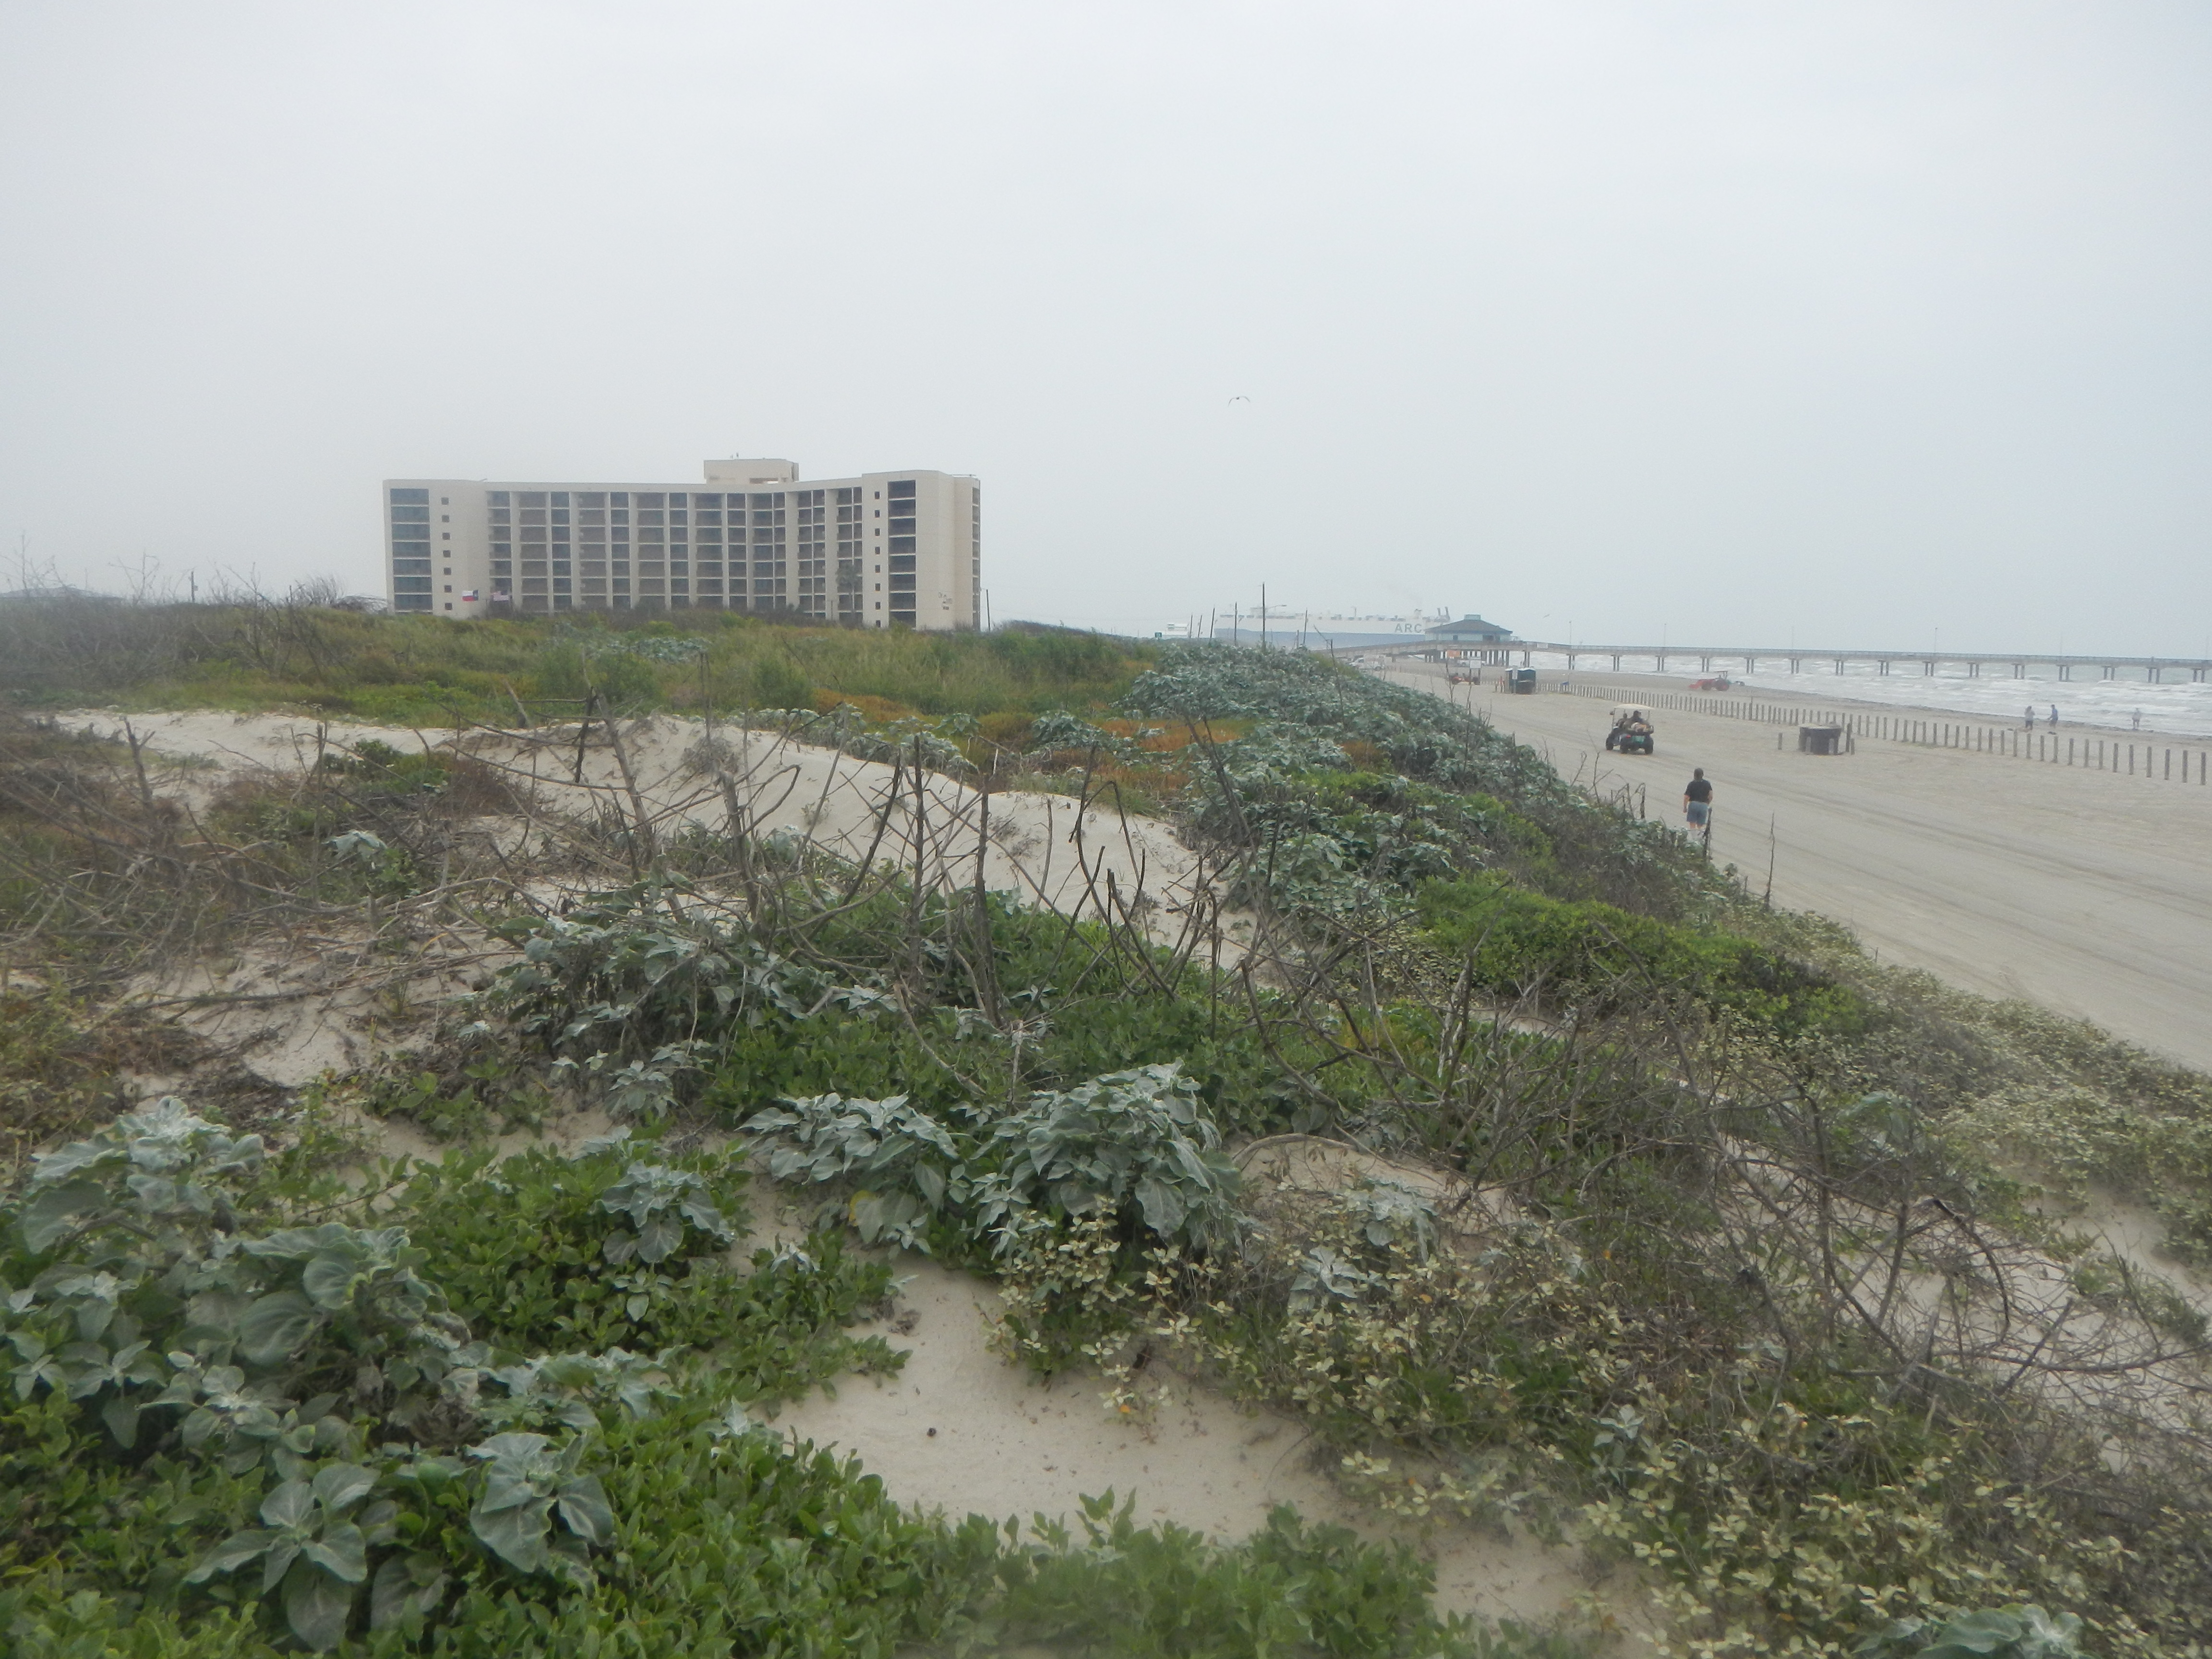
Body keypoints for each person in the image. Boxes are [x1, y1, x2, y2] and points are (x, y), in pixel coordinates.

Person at [1683, 768, 1713, 832]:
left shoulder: (1691, 784)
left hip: (1693, 805)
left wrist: (1685, 807)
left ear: (1694, 775)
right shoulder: (1707, 784)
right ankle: (1700, 837)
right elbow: (1711, 796)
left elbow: (1687, 797)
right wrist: (1707, 804)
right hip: (1704, 805)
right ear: (1703, 775)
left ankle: (1694, 839)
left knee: (1693, 824)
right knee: (1700, 825)